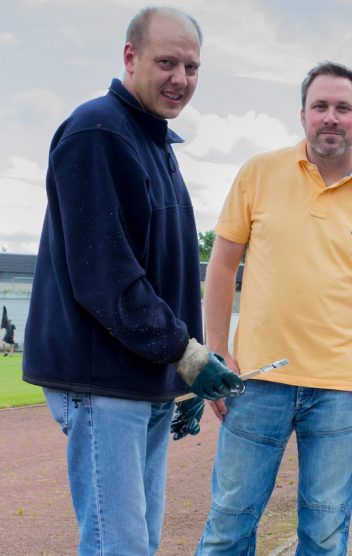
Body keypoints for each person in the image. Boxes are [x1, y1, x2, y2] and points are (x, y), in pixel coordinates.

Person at [21, 7, 243, 555]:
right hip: (102, 379)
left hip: (142, 377)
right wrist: (187, 355)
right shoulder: (97, 131)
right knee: (116, 546)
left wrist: (183, 374)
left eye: (191, 67)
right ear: (130, 57)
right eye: (166, 62)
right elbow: (106, 277)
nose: (180, 79)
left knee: (136, 543)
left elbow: (167, 274)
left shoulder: (155, 140)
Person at [195, 61, 352, 555]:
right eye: (319, 106)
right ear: (302, 114)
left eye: (342, 108)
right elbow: (219, 270)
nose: (330, 117)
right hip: (255, 379)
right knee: (228, 526)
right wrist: (216, 353)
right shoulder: (258, 173)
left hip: (339, 388)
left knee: (325, 535)